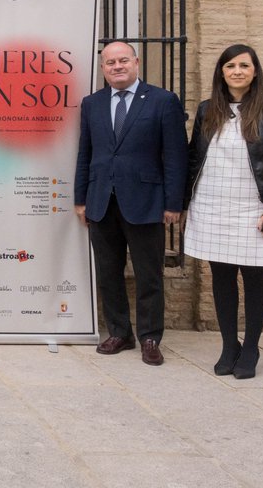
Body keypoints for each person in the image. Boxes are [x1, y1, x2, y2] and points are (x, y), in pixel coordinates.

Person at [184, 44, 263, 380]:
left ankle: (251, 348)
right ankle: (228, 345)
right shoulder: (208, 110)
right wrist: (183, 203)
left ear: (255, 71)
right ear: (221, 72)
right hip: (212, 203)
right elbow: (194, 159)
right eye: (230, 65)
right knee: (220, 276)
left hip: (255, 206)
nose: (237, 71)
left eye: (244, 66)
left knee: (254, 275)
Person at [74, 41, 187, 366]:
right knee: (109, 272)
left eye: (123, 60)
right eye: (110, 62)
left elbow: (175, 156)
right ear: (103, 68)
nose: (117, 66)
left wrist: (173, 203)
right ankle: (120, 332)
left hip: (147, 202)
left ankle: (150, 337)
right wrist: (81, 197)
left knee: (148, 274)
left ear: (136, 63)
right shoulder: (92, 103)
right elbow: (86, 153)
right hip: (101, 202)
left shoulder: (162, 101)